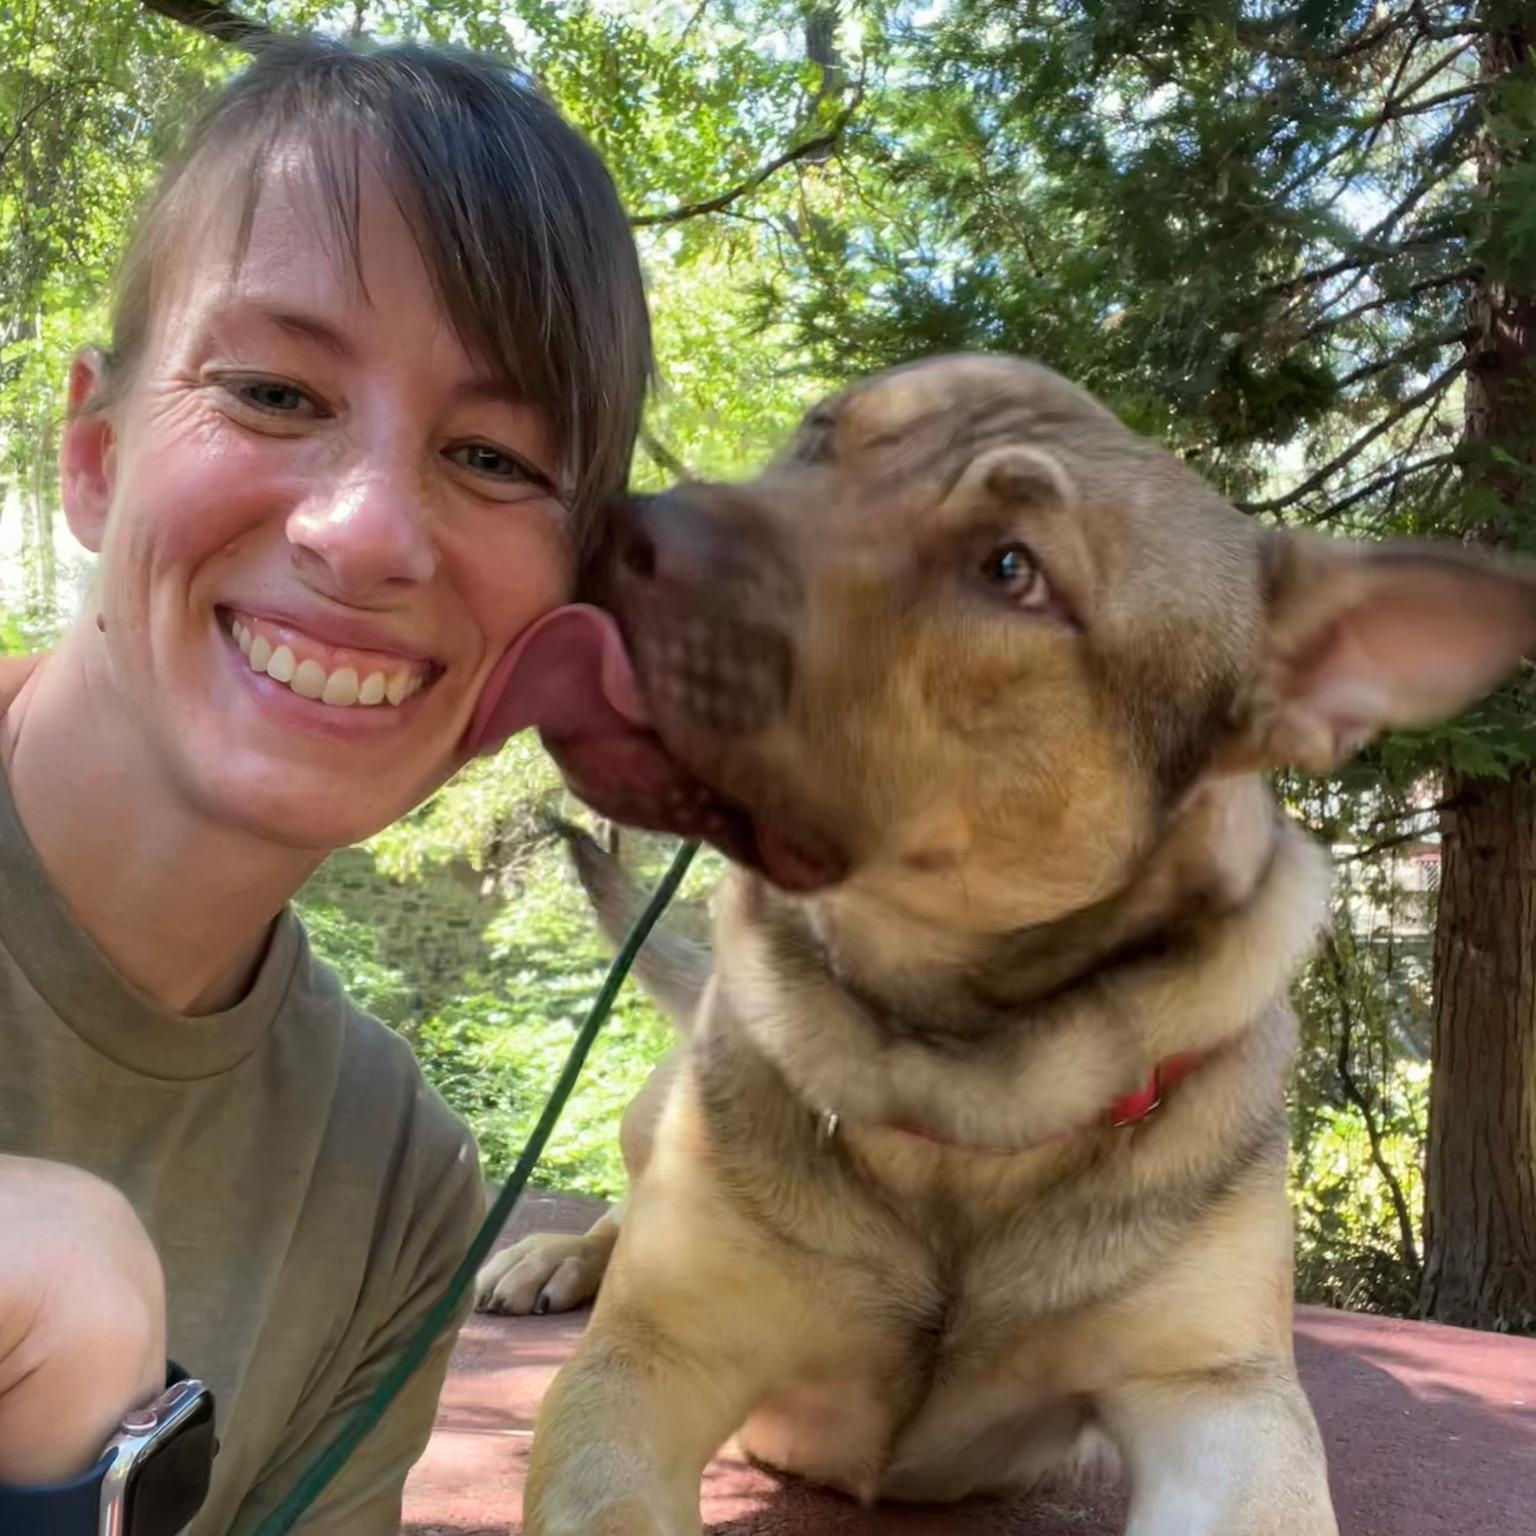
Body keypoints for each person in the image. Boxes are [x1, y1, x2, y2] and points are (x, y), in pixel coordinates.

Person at [0, 34, 651, 1534]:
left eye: (492, 459)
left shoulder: (392, 1195)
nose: (366, 534)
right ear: (94, 455)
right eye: (275, 392)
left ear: (556, 637)